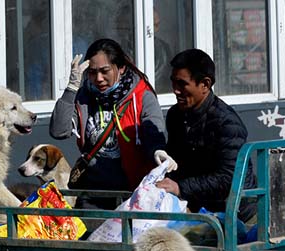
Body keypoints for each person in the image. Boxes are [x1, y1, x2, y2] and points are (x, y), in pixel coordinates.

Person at [50, 38, 175, 210]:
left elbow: (153, 128)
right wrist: (72, 88)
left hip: (132, 195)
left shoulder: (141, 95)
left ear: (121, 68)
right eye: (92, 72)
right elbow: (59, 131)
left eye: (105, 71)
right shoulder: (84, 97)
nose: (99, 78)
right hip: (93, 194)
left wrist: (158, 150)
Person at [156, 48, 256, 222]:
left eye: (182, 84)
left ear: (205, 84)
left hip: (235, 215)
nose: (176, 90)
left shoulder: (227, 124)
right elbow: (177, 162)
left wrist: (180, 187)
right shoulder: (176, 116)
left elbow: (228, 178)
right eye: (173, 82)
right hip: (198, 208)